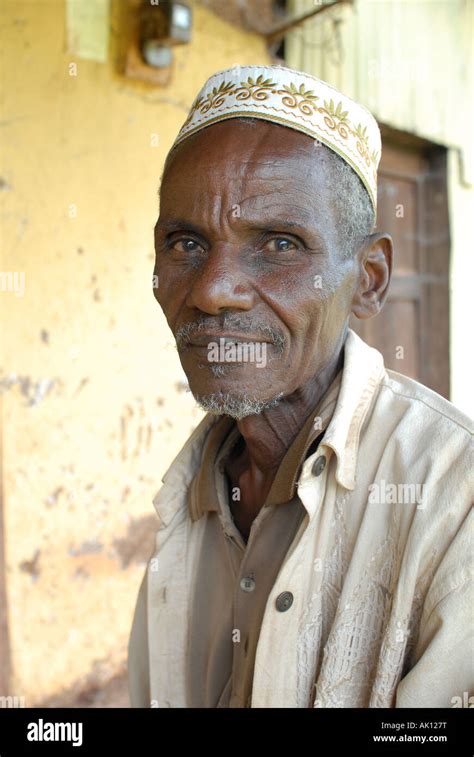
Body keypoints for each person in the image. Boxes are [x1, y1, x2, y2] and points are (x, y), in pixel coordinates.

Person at [128, 65, 473, 708]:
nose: (211, 290)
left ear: (368, 279)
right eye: (185, 243)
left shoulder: (459, 503)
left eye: (280, 244)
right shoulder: (188, 495)